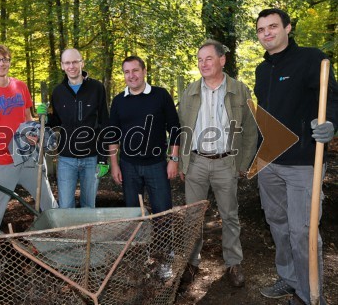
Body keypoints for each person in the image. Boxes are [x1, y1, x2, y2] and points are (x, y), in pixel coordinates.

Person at [255, 8, 338, 305]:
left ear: (288, 28)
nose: (267, 33)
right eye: (261, 29)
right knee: (277, 222)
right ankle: (289, 279)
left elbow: (331, 99)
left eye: (273, 27)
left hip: (304, 162)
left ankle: (309, 294)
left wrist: (330, 123)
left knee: (303, 231)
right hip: (268, 162)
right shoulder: (262, 70)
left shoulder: (311, 59)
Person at [177, 39, 258, 288]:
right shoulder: (190, 91)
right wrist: (182, 163)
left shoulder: (240, 90)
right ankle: (191, 263)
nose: (203, 64)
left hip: (226, 163)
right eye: (200, 60)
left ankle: (233, 263)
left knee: (230, 216)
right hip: (196, 163)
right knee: (193, 216)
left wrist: (242, 163)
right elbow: (181, 130)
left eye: (209, 58)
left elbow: (250, 130)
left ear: (222, 60)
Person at [0, 44, 58, 229]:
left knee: (50, 206)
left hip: (28, 158)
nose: (1, 63)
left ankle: (65, 248)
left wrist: (33, 133)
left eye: (5, 59)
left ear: (9, 62)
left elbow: (28, 119)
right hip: (1, 163)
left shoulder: (20, 86)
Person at [37, 48, 110, 208]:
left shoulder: (97, 88)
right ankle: (69, 234)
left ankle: (86, 234)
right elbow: (57, 121)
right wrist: (45, 116)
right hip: (66, 159)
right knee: (65, 206)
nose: (72, 66)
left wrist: (104, 158)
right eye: (67, 63)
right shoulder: (58, 92)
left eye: (75, 61)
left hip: (91, 158)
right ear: (62, 66)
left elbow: (105, 123)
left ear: (82, 63)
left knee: (88, 205)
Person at [108, 55, 180, 214]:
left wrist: (173, 159)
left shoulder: (160, 95)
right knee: (133, 214)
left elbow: (175, 128)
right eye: (127, 72)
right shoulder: (119, 101)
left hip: (157, 165)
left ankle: (164, 239)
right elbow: (113, 135)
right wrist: (114, 164)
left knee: (163, 213)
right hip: (128, 166)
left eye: (135, 70)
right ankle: (138, 240)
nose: (131, 75)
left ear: (144, 71)